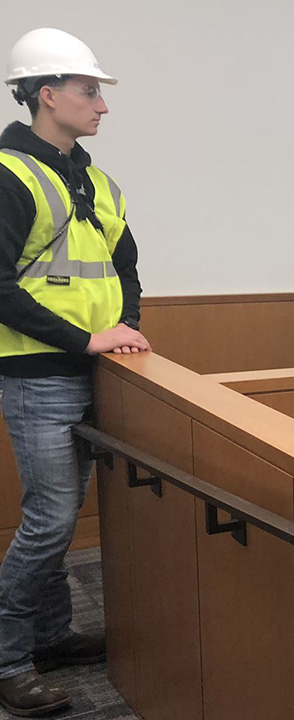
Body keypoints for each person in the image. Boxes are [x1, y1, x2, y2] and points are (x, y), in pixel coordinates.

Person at [0, 28, 150, 716]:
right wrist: (86, 337)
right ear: (47, 94)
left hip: (95, 368)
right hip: (38, 374)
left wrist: (128, 332)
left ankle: (52, 636)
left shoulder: (95, 179)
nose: (102, 106)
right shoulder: (9, 174)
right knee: (50, 521)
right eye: (90, 91)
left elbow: (125, 266)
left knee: (60, 517)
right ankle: (8, 657)